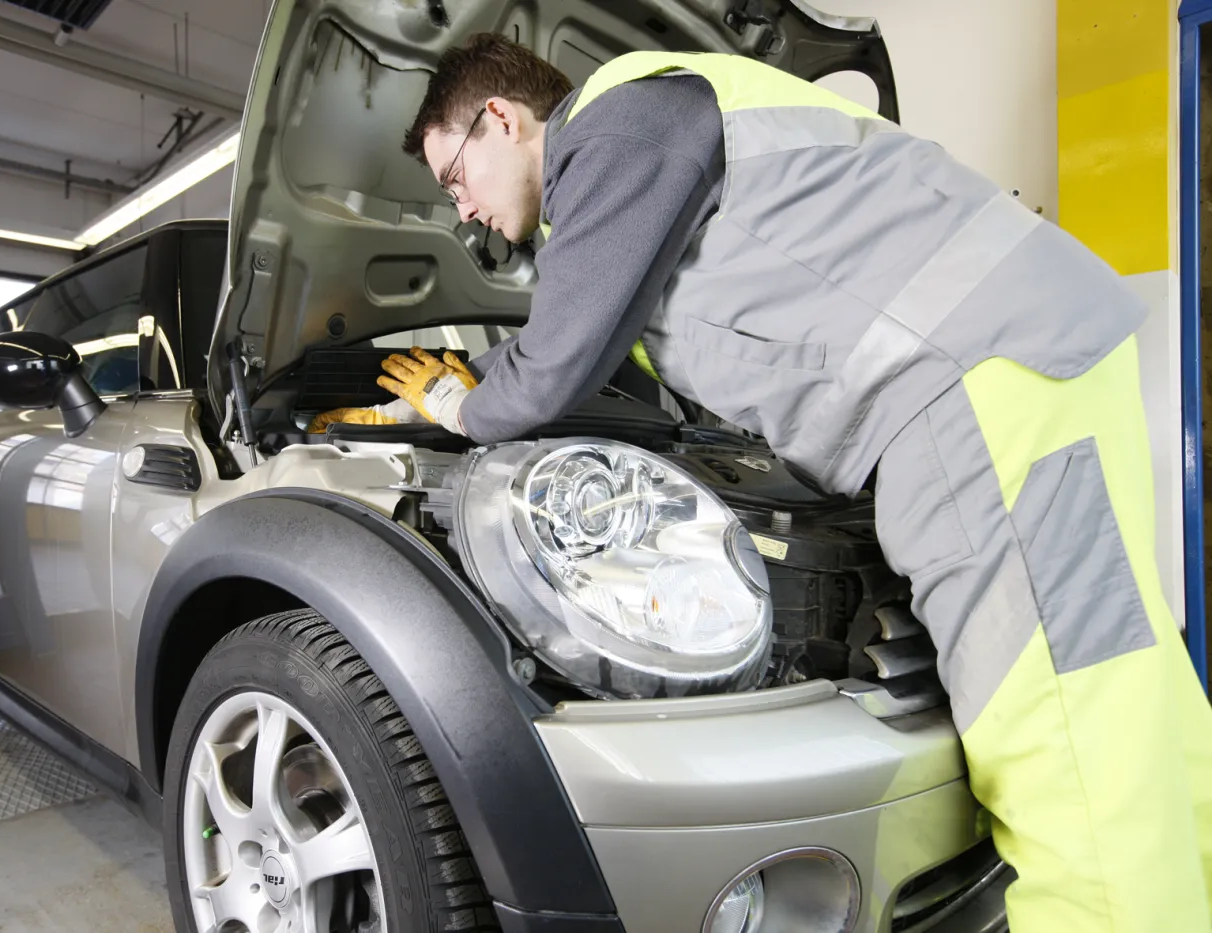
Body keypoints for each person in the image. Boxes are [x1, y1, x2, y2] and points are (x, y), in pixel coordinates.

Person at [311, 32, 1212, 931]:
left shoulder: (623, 123)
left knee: (1060, 745)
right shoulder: (646, 169)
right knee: (1125, 700)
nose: (462, 211)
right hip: (1012, 364)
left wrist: (455, 406)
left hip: (966, 380)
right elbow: (610, 351)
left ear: (501, 120)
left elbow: (555, 365)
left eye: (454, 177)